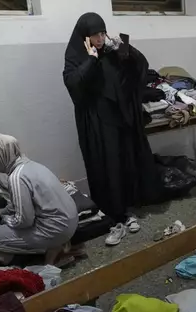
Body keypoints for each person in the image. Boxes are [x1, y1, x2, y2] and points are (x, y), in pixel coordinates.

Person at [63, 12, 161, 246]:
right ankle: (112, 213)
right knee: (105, 166)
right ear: (84, 37)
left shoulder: (110, 51)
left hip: (119, 119)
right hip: (96, 124)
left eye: (102, 33)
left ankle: (127, 209)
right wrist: (91, 58)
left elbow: (140, 68)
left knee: (124, 161)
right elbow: (74, 84)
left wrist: (125, 47)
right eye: (95, 34)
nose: (100, 38)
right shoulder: (76, 56)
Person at [0, 134, 78, 263]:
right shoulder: (32, 165)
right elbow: (21, 202)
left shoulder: (16, 177)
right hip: (70, 222)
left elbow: (24, 221)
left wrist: (4, 219)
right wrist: (3, 211)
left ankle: (51, 249)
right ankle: (57, 244)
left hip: (56, 230)